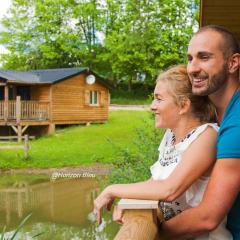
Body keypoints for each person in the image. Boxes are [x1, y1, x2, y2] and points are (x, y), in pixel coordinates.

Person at [93, 65, 232, 239]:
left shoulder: (206, 136)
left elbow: (170, 189)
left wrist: (112, 190)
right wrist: (129, 200)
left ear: (183, 105)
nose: (152, 106)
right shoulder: (170, 136)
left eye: (159, 99)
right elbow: (155, 182)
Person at [158, 25, 240, 240]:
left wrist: (151, 233)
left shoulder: (237, 123)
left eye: (204, 57)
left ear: (232, 63)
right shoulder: (212, 116)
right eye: (190, 58)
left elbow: (207, 217)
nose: (192, 68)